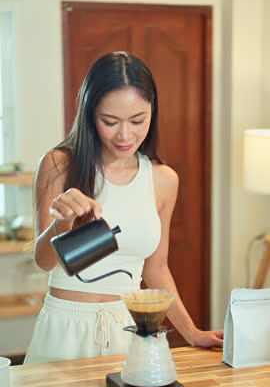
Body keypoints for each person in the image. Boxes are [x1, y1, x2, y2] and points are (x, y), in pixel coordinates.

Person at [24, 51, 223, 364]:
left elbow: (157, 269)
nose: (125, 135)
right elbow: (44, 261)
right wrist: (63, 222)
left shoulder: (163, 180)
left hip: (128, 328)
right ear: (91, 115)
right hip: (64, 327)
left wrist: (191, 332)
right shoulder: (58, 165)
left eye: (137, 120)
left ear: (152, 113)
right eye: (110, 122)